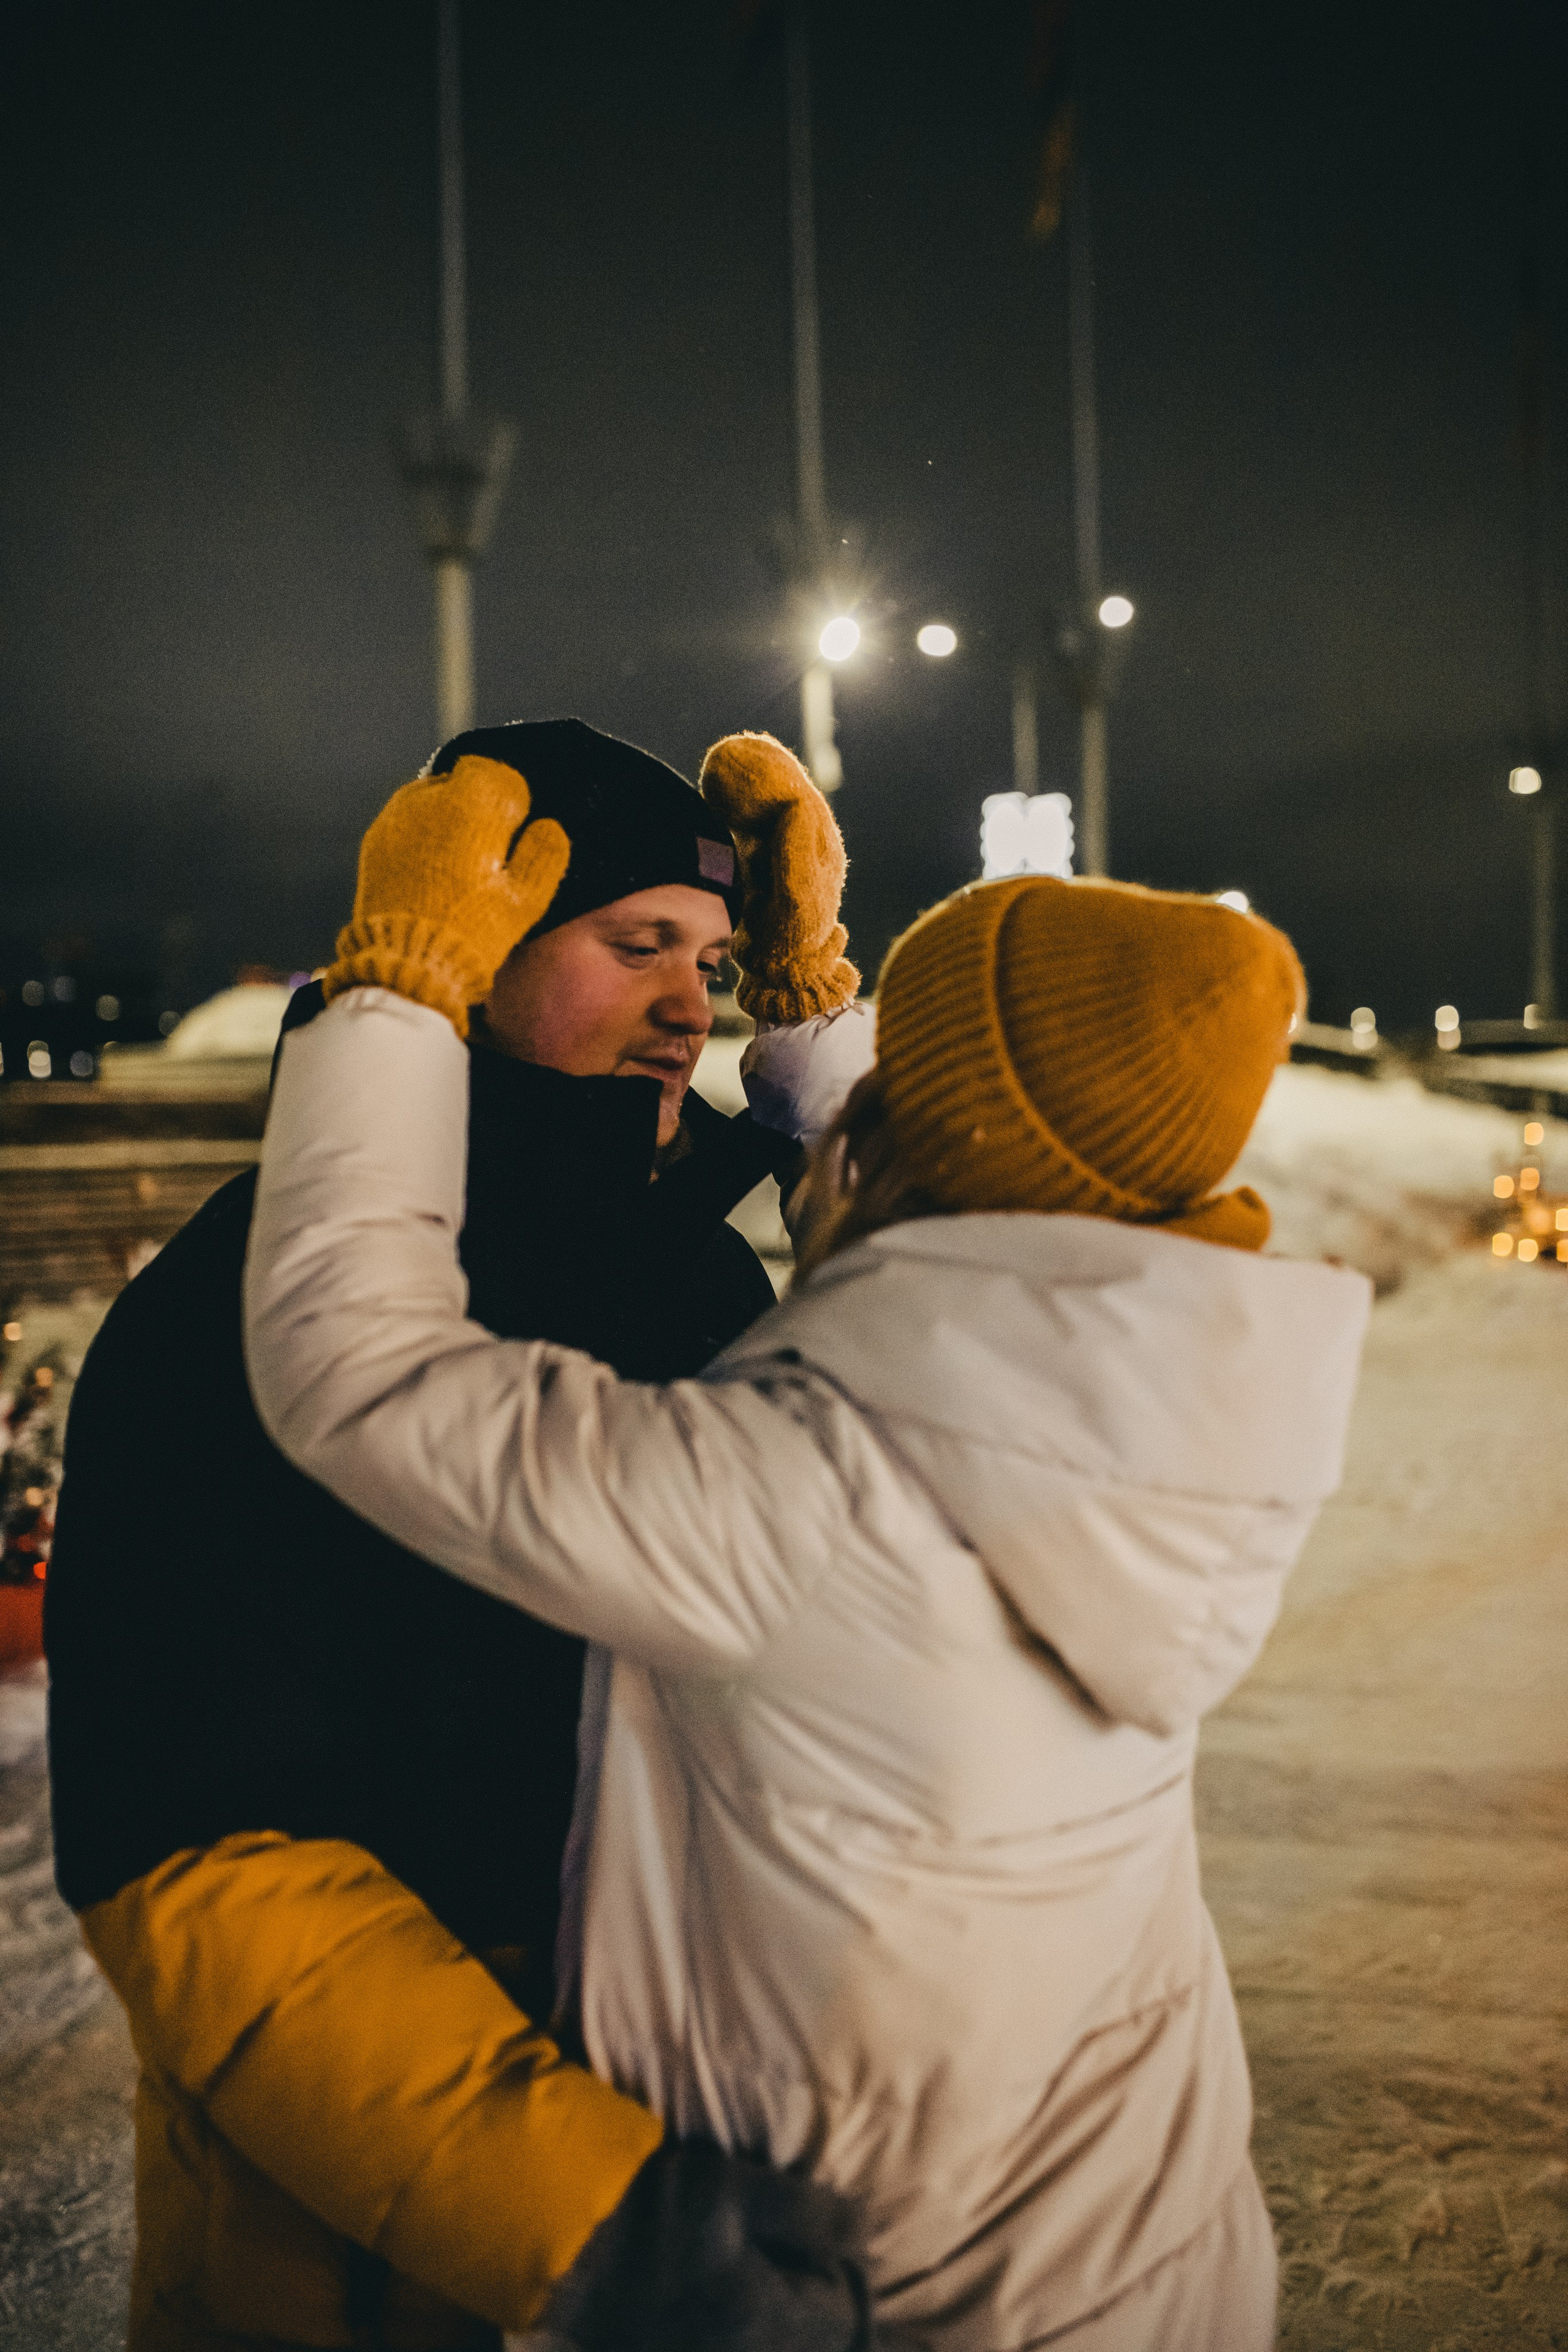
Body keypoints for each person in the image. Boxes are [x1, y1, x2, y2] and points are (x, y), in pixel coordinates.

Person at [241, 735, 1373, 2351]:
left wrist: (399, 983)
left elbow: (356, 1366)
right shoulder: (1134, 1414)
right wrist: (815, 997)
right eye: (645, 952)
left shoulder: (804, 1503)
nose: (693, 1007)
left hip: (917, 2310)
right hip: (1154, 2261)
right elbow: (958, 1235)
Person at [47, 718, 867, 2350]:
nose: (693, 1003)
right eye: (639, 944)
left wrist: (820, 1016)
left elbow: (961, 1380)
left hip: (672, 2146)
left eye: (715, 958)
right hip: (360, 2257)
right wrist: (601, 2223)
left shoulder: (699, 1275)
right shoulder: (229, 1316)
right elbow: (198, 1870)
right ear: (475, 943)